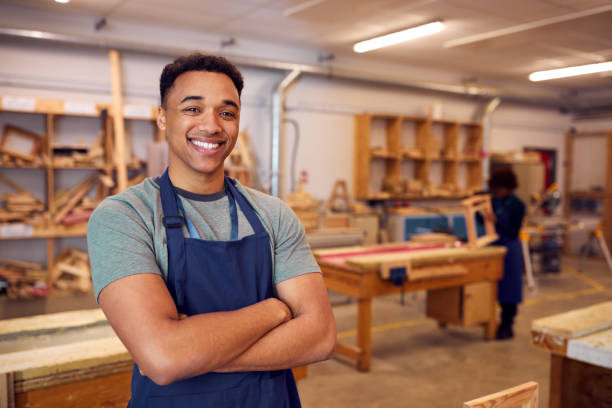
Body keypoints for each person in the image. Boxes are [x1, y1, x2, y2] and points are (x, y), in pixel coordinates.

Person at [87, 53, 336, 407]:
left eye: (227, 112)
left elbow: (320, 337)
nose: (212, 125)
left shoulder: (274, 214)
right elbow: (162, 358)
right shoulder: (124, 216)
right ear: (161, 117)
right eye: (192, 109)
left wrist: (192, 351)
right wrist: (275, 311)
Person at [486, 168, 526, 340]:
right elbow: (484, 220)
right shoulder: (494, 201)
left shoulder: (518, 205)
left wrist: (496, 221)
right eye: (495, 189)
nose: (498, 192)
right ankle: (490, 322)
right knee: (494, 288)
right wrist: (482, 214)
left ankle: (507, 325)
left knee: (509, 290)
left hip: (510, 250)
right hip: (494, 247)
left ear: (508, 187)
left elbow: (513, 231)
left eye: (500, 189)